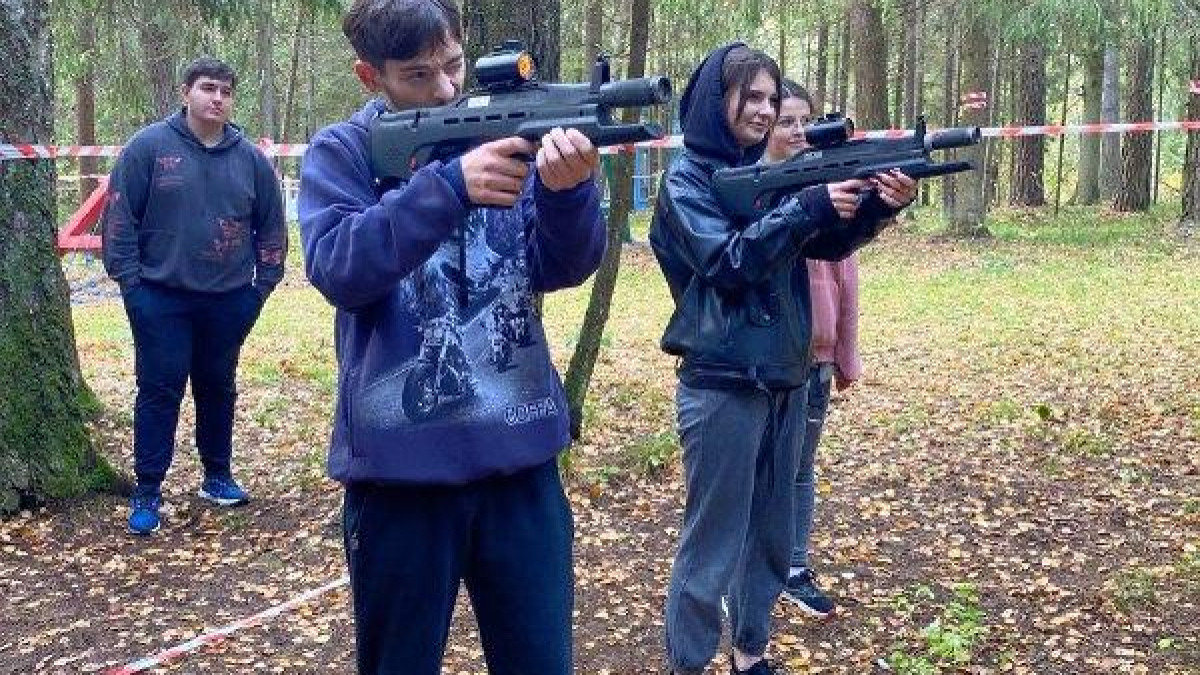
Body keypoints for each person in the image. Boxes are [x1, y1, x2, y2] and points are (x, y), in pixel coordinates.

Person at [296, 0, 604, 673]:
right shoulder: (343, 153)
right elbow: (339, 266)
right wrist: (449, 187)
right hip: (401, 480)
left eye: (454, 65)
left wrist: (568, 193)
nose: (444, 88)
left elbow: (563, 265)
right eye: (417, 74)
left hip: (522, 464)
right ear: (370, 75)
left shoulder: (500, 132)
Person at [649, 44, 916, 675]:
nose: (766, 111)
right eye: (753, 97)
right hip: (723, 381)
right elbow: (728, 261)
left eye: (773, 98)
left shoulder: (771, 169)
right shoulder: (687, 180)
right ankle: (688, 663)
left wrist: (878, 207)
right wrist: (805, 206)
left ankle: (750, 653)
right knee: (712, 543)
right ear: (717, 100)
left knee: (771, 534)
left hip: (786, 374)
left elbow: (822, 241)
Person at [101, 56, 287, 536]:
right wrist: (132, 287)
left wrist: (260, 290)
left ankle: (217, 476)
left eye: (226, 91)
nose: (217, 98)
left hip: (229, 299)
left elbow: (271, 228)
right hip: (159, 297)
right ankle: (147, 490)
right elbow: (118, 220)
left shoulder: (251, 161)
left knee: (217, 385)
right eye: (208, 88)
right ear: (185, 93)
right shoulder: (148, 148)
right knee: (159, 389)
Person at [763, 81, 863, 618]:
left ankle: (794, 568)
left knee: (801, 468)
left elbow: (846, 279)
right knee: (761, 472)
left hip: (816, 360)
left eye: (806, 121)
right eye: (787, 121)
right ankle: (750, 574)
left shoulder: (831, 187)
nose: (799, 132)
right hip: (771, 358)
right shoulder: (757, 193)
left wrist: (845, 353)